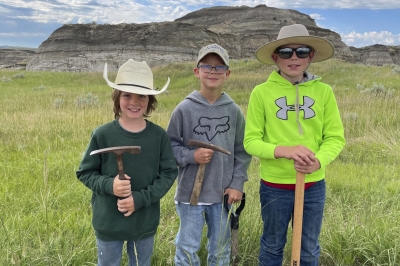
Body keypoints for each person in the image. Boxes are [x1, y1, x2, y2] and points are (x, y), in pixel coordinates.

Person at [244, 24, 345, 265]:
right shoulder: (261, 93)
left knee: (309, 249)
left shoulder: (324, 92)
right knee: (271, 246)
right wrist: (284, 151)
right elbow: (251, 142)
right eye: (286, 52)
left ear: (310, 56)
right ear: (274, 57)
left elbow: (335, 137)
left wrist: (318, 161)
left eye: (301, 51)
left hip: (313, 186)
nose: (294, 58)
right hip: (274, 186)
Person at [76, 59, 178, 266]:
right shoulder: (102, 134)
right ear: (117, 98)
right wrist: (109, 185)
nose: (135, 102)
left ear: (150, 99)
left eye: (142, 96)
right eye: (127, 95)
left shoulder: (158, 136)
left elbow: (168, 173)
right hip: (108, 221)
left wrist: (139, 199)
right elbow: (85, 173)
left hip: (144, 221)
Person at [167, 43, 252, 266]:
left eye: (219, 67)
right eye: (207, 66)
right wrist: (190, 157)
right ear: (197, 71)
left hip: (222, 194)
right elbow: (169, 149)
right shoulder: (184, 109)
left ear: (227, 73)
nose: (213, 72)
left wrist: (237, 184)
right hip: (189, 195)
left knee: (221, 250)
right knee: (187, 249)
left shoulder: (233, 110)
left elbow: (242, 151)